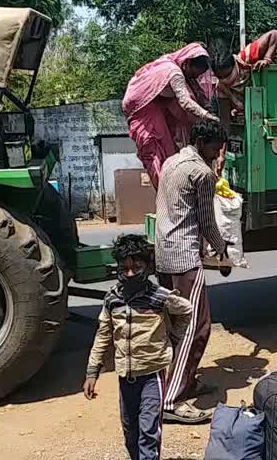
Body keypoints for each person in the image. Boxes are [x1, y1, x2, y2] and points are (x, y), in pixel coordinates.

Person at [83, 234, 193, 460]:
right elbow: (103, 335)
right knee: (130, 430)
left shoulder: (159, 297)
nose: (131, 273)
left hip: (152, 377)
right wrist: (92, 372)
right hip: (126, 378)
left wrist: (172, 340)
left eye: (137, 267)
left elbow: (186, 310)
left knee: (149, 432)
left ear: (148, 267)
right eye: (125, 268)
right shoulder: (112, 299)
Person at [155, 119, 229, 423]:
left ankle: (186, 382)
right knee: (196, 329)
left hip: (162, 252)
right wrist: (223, 247)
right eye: (216, 147)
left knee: (175, 328)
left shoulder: (171, 162)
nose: (218, 152)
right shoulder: (201, 173)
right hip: (185, 257)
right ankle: (171, 401)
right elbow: (207, 222)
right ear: (201, 143)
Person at [123, 43, 219, 189]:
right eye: (194, 73)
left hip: (160, 108)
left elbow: (198, 93)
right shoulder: (174, 72)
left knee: (171, 155)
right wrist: (207, 116)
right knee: (156, 154)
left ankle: (173, 192)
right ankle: (165, 196)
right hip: (143, 110)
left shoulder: (181, 68)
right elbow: (186, 102)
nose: (194, 77)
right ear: (187, 63)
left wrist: (209, 109)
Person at [212, 30, 277, 113]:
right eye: (219, 77)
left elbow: (273, 34)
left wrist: (267, 59)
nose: (224, 79)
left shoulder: (246, 57)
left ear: (234, 65)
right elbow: (225, 116)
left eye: (227, 75)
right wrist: (236, 104)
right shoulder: (220, 87)